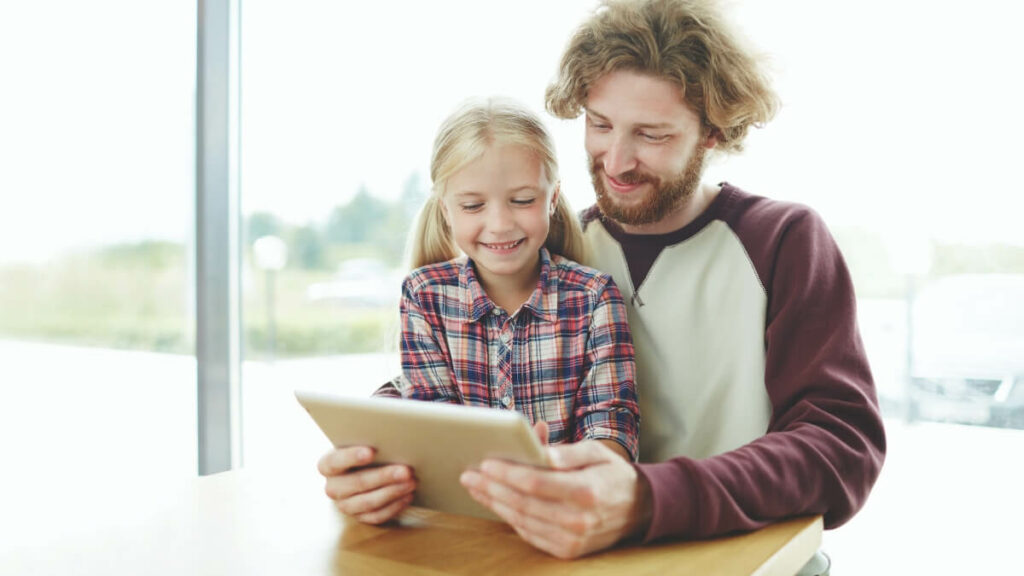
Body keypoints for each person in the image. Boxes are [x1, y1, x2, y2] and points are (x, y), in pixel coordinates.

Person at [323, 0, 886, 571]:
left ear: (712, 131)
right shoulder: (555, 243)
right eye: (599, 124)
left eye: (652, 134)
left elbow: (842, 448)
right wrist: (378, 457)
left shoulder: (782, 240)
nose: (616, 161)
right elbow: (472, 365)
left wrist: (647, 498)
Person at [318, 97, 641, 525]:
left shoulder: (595, 297)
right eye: (473, 206)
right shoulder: (424, 296)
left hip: (563, 518)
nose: (501, 224)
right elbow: (429, 422)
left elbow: (612, 425)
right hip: (458, 528)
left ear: (552, 198)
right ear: (446, 210)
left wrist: (564, 472)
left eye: (523, 200)